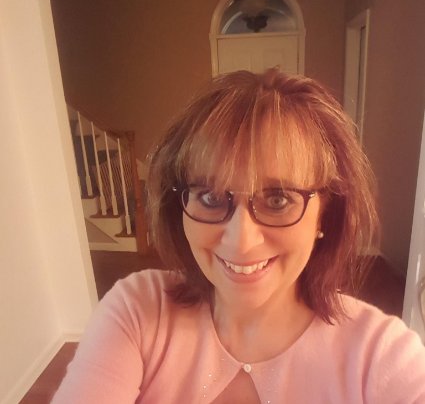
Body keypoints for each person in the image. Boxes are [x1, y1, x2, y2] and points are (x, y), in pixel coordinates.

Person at [53, 69, 425, 403]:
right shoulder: (138, 311)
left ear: (325, 213)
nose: (241, 241)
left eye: (278, 199)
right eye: (211, 197)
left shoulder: (381, 356)